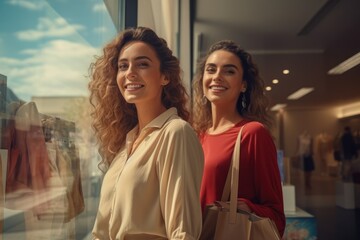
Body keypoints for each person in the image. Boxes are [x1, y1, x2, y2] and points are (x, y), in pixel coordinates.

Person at [88, 27, 204, 240]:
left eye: (142, 64)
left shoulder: (175, 133)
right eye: (123, 66)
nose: (130, 72)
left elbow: (183, 232)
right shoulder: (128, 142)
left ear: (165, 77)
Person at [191, 40, 285, 237]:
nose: (217, 76)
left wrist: (246, 207)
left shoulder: (253, 134)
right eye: (211, 69)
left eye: (229, 71)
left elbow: (277, 217)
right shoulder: (195, 135)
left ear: (243, 85)